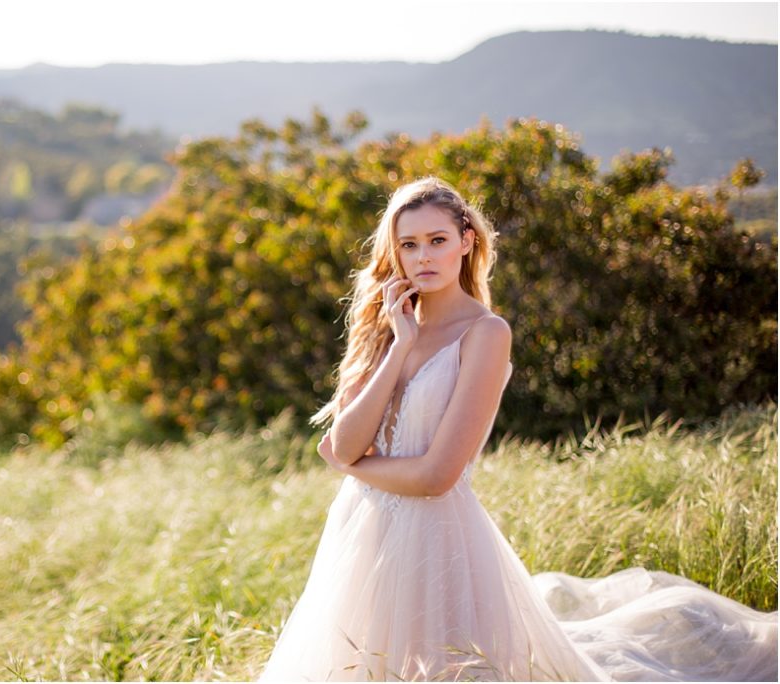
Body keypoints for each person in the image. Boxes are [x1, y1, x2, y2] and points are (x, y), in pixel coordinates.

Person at [258, 177, 777, 682]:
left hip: (436, 536)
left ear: (466, 241)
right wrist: (399, 346)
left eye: (437, 241)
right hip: (361, 532)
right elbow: (345, 443)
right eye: (408, 245)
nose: (423, 258)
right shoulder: (385, 326)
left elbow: (435, 475)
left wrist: (355, 468)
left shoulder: (485, 333)